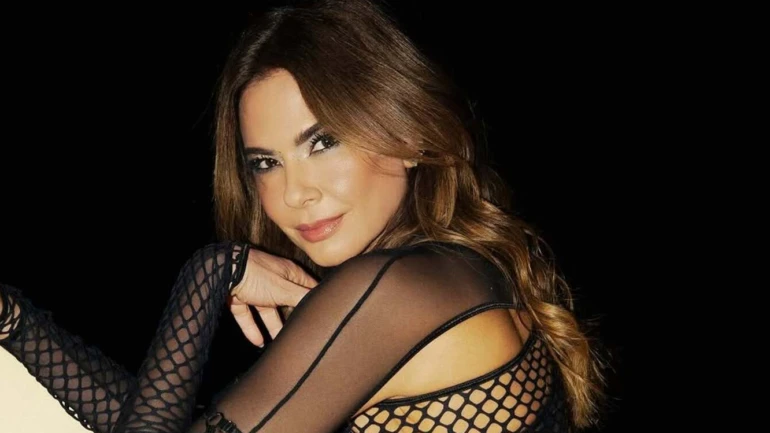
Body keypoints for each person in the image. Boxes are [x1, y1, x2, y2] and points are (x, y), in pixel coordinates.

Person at [0, 1, 605, 432]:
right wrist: (15, 323)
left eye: (323, 142)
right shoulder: (453, 276)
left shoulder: (393, 292)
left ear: (406, 133)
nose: (295, 193)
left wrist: (210, 271)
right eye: (266, 163)